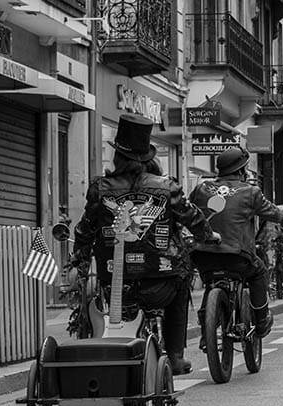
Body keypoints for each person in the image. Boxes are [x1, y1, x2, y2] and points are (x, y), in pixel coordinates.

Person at [69, 114, 219, 375]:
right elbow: (193, 218)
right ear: (148, 158)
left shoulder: (100, 188)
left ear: (117, 156)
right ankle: (175, 355)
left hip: (115, 282)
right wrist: (209, 236)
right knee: (182, 281)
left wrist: (78, 262)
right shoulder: (166, 187)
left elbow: (84, 230)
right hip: (161, 282)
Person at [189, 147, 283, 346]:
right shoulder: (250, 192)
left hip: (203, 255)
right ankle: (261, 321)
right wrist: (281, 212)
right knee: (259, 272)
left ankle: (205, 332)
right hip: (237, 256)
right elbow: (273, 213)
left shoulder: (201, 188)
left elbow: (189, 210)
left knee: (211, 282)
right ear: (242, 170)